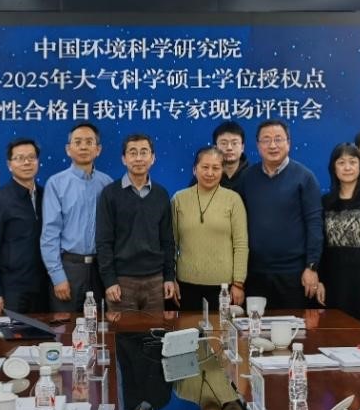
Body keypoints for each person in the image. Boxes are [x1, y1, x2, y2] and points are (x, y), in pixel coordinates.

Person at [238, 120, 322, 310]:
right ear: (258, 145)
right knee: (256, 327)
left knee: (294, 326)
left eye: (278, 139)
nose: (272, 145)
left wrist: (311, 267)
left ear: (288, 143)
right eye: (266, 140)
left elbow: (315, 224)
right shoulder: (247, 178)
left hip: (294, 274)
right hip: (255, 273)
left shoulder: (304, 177)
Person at [96, 134, 176, 313]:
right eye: (133, 153)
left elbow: (167, 241)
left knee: (155, 331)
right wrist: (109, 281)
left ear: (153, 158)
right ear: (124, 159)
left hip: (155, 281)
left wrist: (169, 277)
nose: (139, 158)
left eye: (144, 152)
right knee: (122, 331)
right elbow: (103, 242)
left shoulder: (161, 194)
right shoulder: (110, 194)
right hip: (122, 281)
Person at [41, 121, 113, 311]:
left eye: (89, 142)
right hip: (69, 269)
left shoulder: (107, 184)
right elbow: (50, 235)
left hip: (100, 270)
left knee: (99, 325)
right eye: (78, 142)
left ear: (98, 150)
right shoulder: (56, 183)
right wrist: (58, 277)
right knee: (65, 326)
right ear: (68, 149)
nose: (83, 147)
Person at [171, 146, 248, 310]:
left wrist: (238, 283)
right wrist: (172, 278)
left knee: (220, 326)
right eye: (205, 167)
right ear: (194, 169)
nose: (210, 173)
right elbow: (171, 243)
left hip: (223, 287)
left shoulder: (233, 200)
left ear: (222, 171)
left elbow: (241, 244)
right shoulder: (179, 199)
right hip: (185, 285)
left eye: (216, 168)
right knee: (188, 326)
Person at [316, 143, 360, 326]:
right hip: (332, 281)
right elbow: (320, 245)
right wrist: (319, 280)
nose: (347, 167)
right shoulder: (325, 202)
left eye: (352, 162)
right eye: (341, 162)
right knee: (333, 332)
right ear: (334, 168)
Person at [0, 138, 47, 314]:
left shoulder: (47, 195)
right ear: (9, 165)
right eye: (20, 158)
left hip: (45, 287)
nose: (26, 162)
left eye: (31, 157)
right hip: (12, 290)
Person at [212, 121, 250, 193]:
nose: (229, 148)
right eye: (224, 143)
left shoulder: (253, 174)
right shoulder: (206, 175)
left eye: (234, 143)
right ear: (215, 148)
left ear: (242, 147)